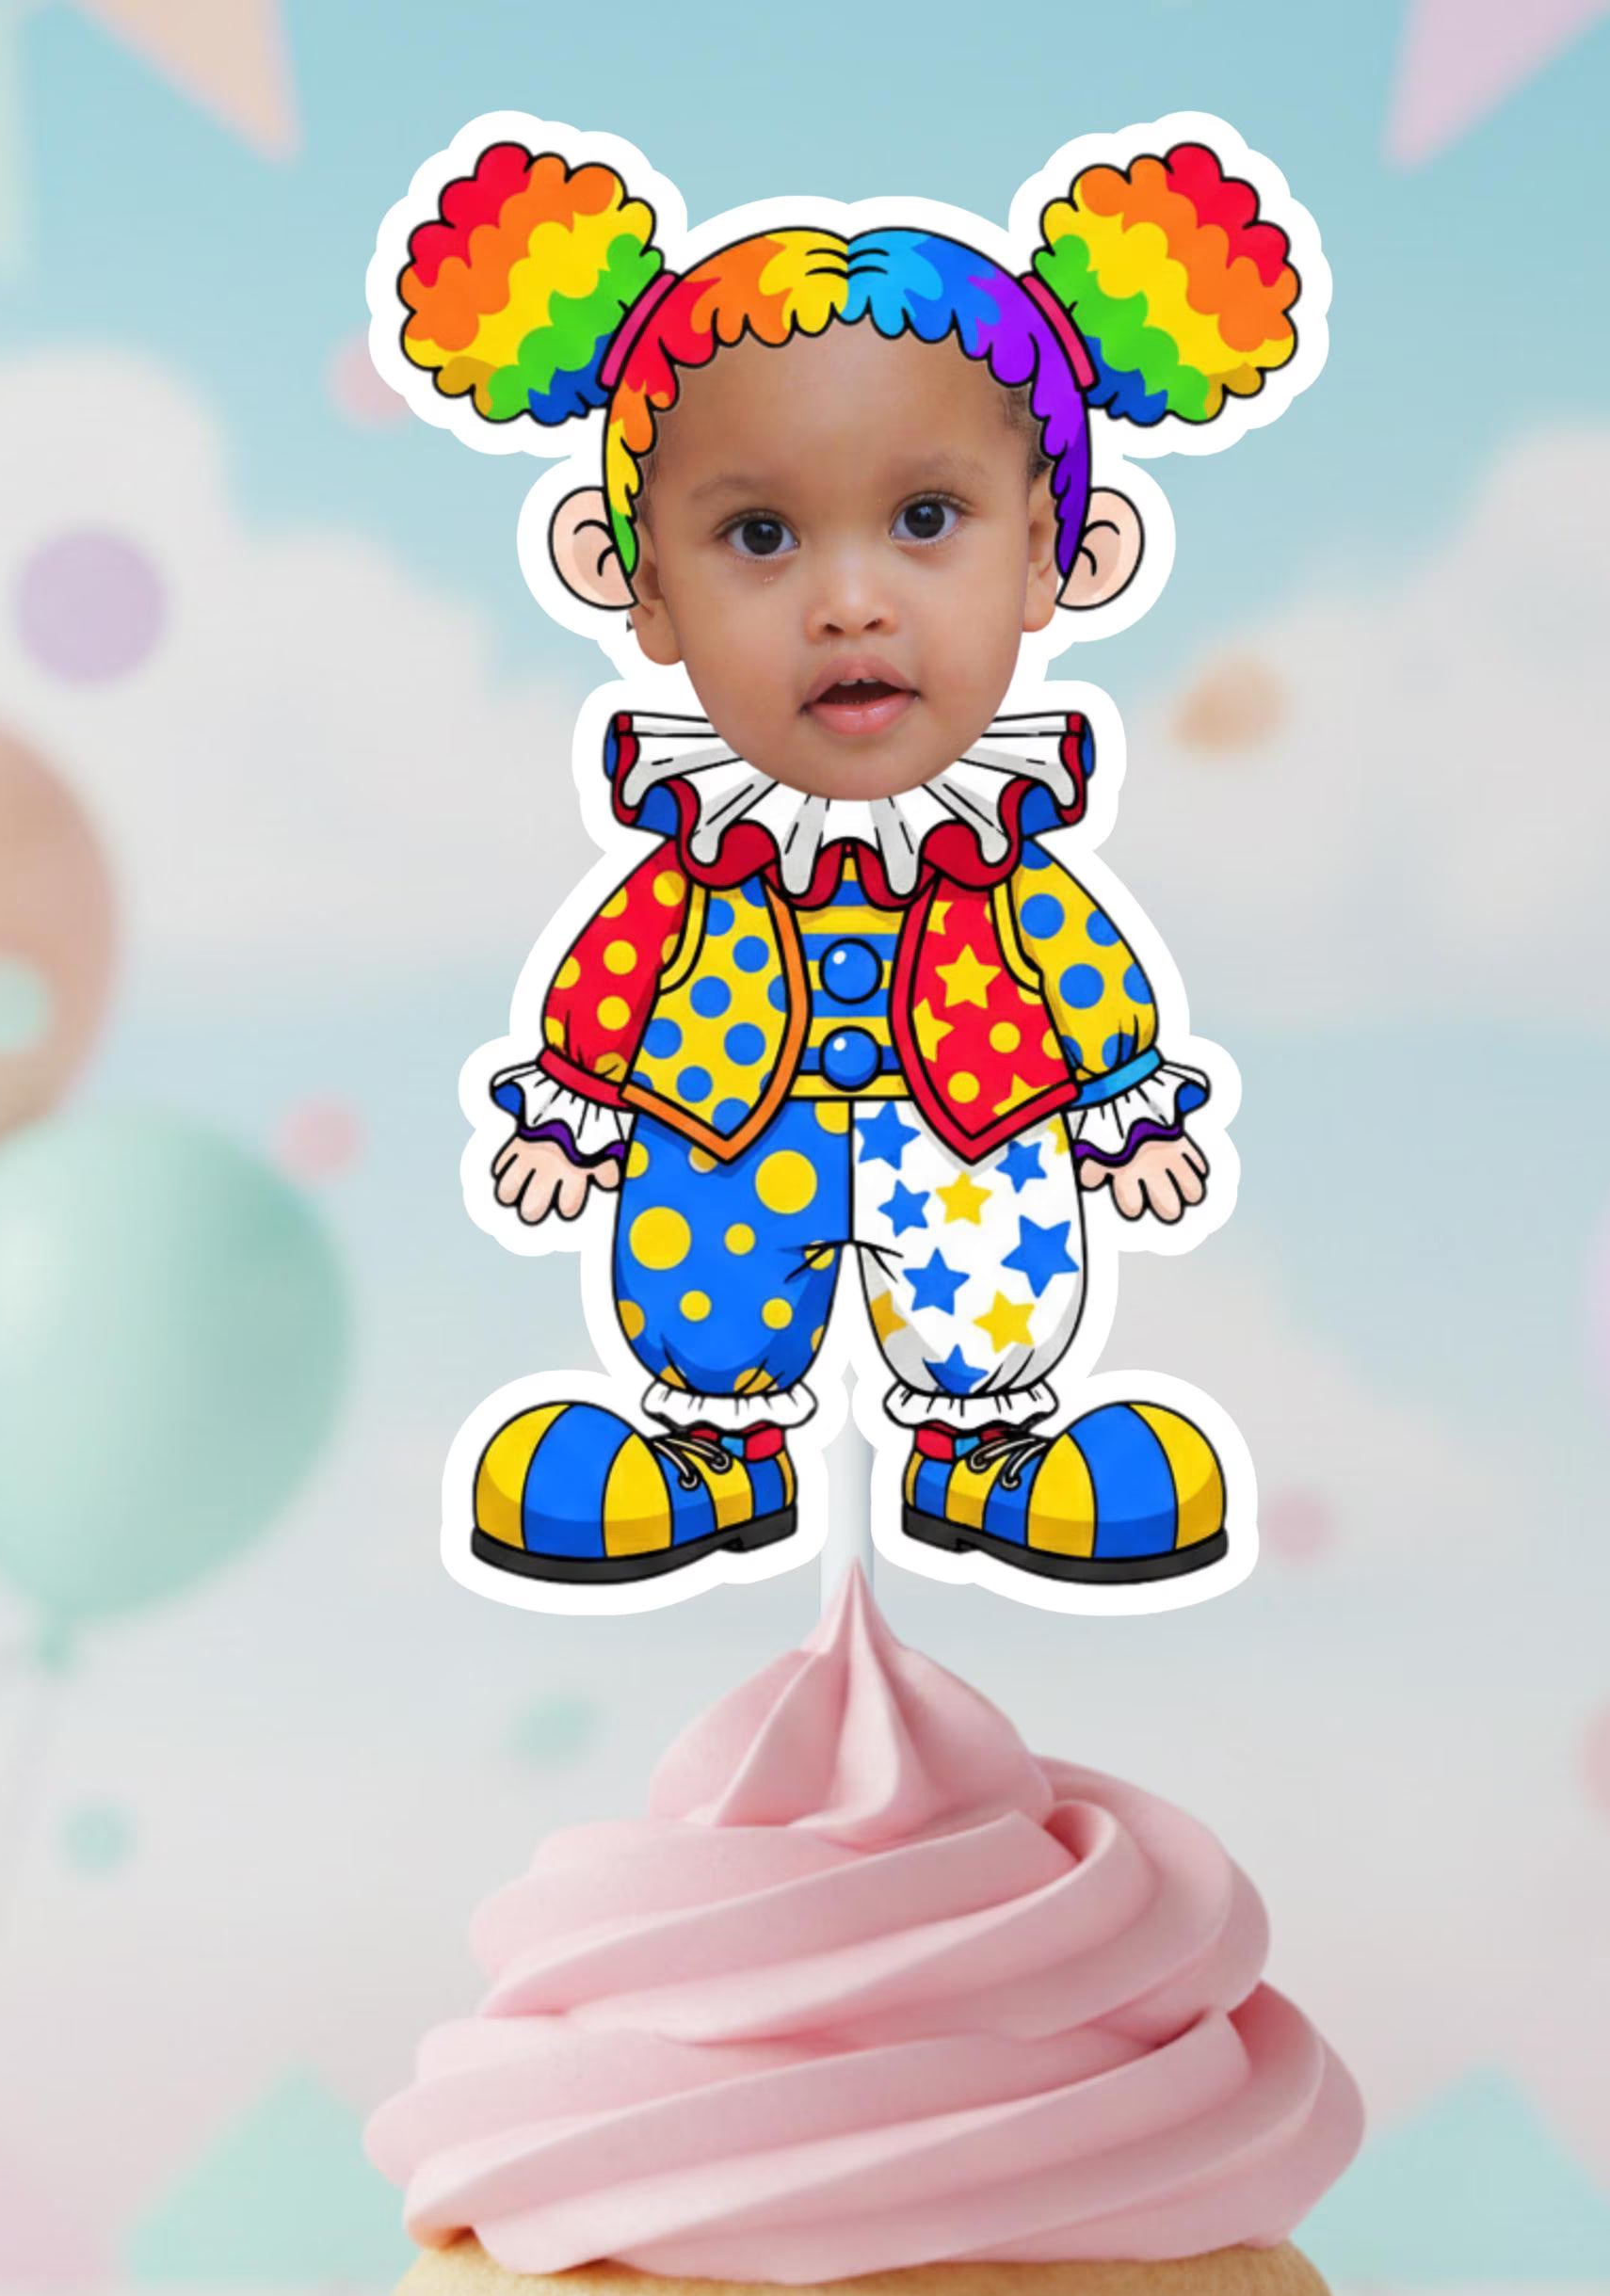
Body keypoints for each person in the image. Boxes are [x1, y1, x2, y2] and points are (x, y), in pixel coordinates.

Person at [380, 126, 1318, 1586]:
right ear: (635, 586)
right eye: (760, 535)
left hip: (971, 1125)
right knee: (706, 1279)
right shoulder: (703, 843)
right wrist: (571, 1106)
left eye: (927, 520)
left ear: (1061, 556)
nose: (850, 602)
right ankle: (713, 1449)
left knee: (991, 1280)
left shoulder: (997, 841)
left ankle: (984, 1449)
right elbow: (623, 963)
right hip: (725, 1125)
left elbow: (1075, 961)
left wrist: (1127, 1104)